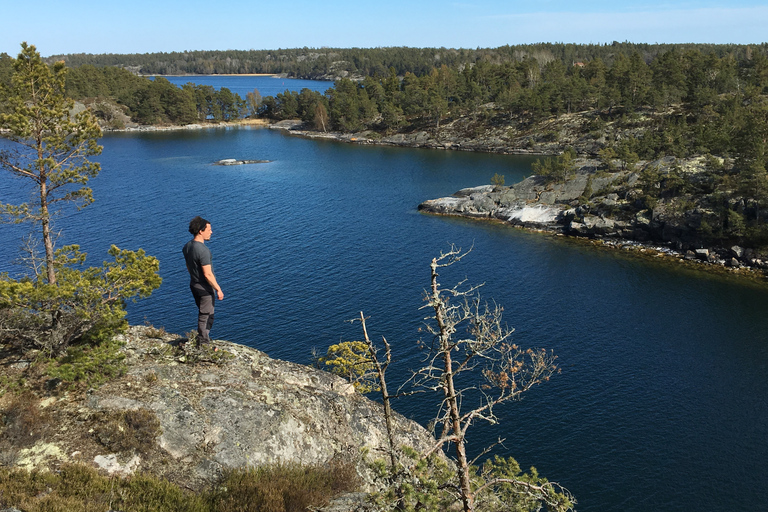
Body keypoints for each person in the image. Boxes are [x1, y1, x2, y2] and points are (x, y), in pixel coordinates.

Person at [182, 216, 224, 347]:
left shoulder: (187, 246)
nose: (211, 232)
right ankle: (204, 344)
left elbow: (189, 267)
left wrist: (195, 278)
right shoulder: (203, 250)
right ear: (201, 231)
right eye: (209, 229)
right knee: (206, 315)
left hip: (194, 285)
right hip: (204, 288)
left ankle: (203, 339)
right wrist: (218, 289)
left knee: (206, 313)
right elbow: (208, 274)